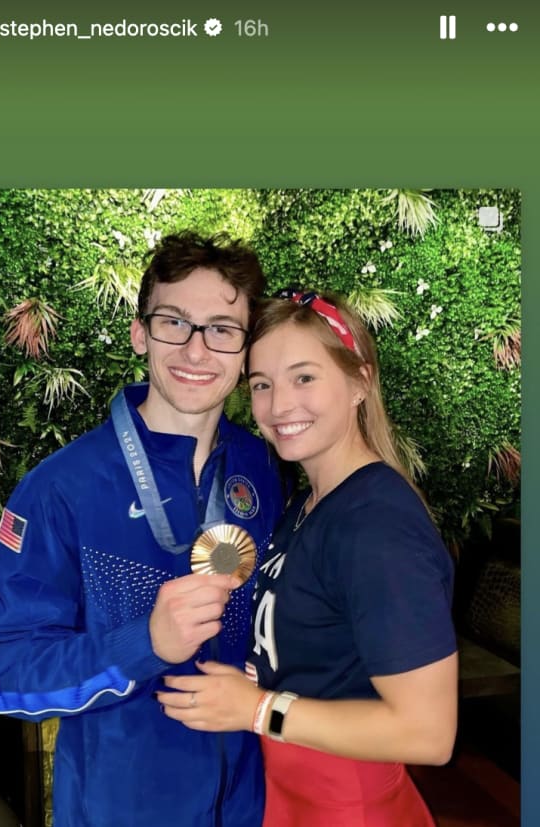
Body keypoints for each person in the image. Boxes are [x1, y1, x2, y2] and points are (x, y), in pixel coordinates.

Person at [0, 232, 286, 827]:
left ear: (246, 349)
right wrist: (145, 644)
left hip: (250, 804)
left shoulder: (261, 468)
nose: (197, 350)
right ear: (141, 332)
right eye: (174, 322)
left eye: (222, 328)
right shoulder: (61, 489)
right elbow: (7, 677)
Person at [158, 287, 459, 826]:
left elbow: (428, 733)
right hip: (292, 794)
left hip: (349, 805)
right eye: (262, 385)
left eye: (304, 377)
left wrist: (256, 709)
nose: (278, 406)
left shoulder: (377, 524)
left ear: (359, 382)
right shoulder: (307, 503)